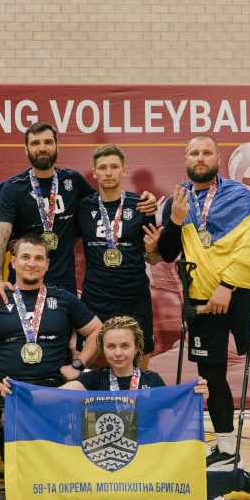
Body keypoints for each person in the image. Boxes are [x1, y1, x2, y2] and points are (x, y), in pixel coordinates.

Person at [63, 316, 250, 500]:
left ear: (137, 348)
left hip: (150, 465)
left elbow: (177, 417)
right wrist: (41, 395)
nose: (118, 353)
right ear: (102, 348)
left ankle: (240, 479)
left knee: (160, 491)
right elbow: (62, 394)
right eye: (111, 346)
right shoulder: (94, 380)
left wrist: (197, 396)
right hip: (113, 466)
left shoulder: (152, 381)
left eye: (125, 346)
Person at [153, 135, 250, 469]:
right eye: (194, 153)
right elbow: (167, 254)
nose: (200, 158)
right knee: (211, 376)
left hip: (236, 292)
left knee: (248, 365)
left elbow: (249, 246)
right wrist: (175, 220)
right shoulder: (179, 199)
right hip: (200, 299)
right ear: (185, 159)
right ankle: (226, 449)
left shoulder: (239, 194)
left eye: (206, 153)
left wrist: (227, 286)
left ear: (218, 158)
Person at [0, 123, 156, 302]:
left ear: (57, 147)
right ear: (26, 150)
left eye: (48, 142)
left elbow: (106, 202)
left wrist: (143, 200)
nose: (42, 148)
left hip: (63, 282)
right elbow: (0, 237)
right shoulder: (14, 188)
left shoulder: (73, 181)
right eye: (35, 143)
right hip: (25, 280)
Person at [0, 234, 103, 397]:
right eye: (25, 257)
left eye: (38, 258)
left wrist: (78, 365)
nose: (32, 263)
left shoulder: (63, 298)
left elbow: (98, 330)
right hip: (6, 391)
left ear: (47, 264)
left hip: (53, 392)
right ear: (13, 262)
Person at [78, 144, 161, 368]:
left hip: (134, 299)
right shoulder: (82, 207)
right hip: (95, 299)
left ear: (124, 170)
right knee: (89, 370)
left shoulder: (142, 205)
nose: (108, 172)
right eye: (103, 167)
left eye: (114, 167)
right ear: (94, 173)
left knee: (139, 372)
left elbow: (153, 260)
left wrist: (152, 249)